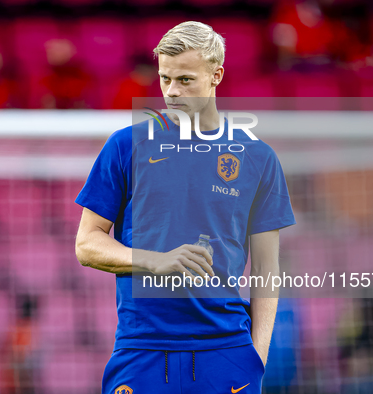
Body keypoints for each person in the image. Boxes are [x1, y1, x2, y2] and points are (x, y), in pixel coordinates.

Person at [75, 21, 296, 393]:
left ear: (216, 76)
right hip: (140, 349)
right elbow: (86, 244)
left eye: (185, 80)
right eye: (165, 79)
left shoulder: (258, 158)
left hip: (226, 352)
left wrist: (256, 355)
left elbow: (266, 266)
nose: (172, 92)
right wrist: (154, 259)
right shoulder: (125, 146)